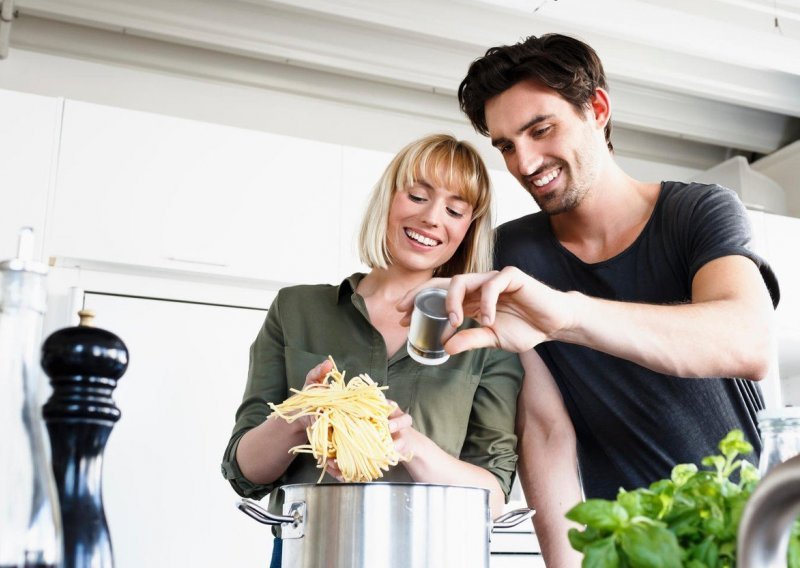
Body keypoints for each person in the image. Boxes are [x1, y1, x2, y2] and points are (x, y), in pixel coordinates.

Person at [405, 34, 780, 566]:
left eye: (541, 129)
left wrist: (567, 316)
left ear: (597, 109)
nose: (525, 162)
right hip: (622, 542)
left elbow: (747, 341)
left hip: (740, 532)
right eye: (507, 145)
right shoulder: (510, 252)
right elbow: (541, 426)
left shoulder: (697, 212)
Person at [220, 134, 524, 568]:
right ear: (389, 198)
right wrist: (301, 416)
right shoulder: (297, 308)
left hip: (434, 554)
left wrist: (408, 442)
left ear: (466, 230)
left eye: (455, 210)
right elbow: (242, 470)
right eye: (417, 195)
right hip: (309, 552)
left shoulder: (485, 335)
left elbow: (493, 497)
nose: (432, 218)